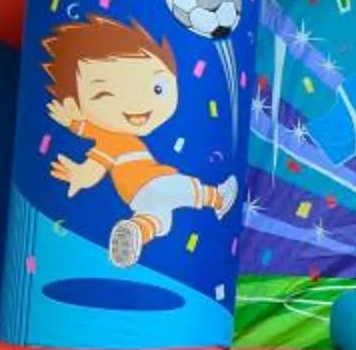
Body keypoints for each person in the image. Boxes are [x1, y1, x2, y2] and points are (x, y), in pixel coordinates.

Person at [41, 17, 238, 267]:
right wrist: (81, 174)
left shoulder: (108, 134)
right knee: (184, 188)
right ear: (76, 105)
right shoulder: (114, 142)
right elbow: (95, 165)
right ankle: (218, 198)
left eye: (157, 88)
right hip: (154, 182)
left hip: (135, 197)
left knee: (159, 220)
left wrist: (72, 124)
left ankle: (134, 231)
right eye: (106, 94)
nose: (137, 103)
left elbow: (89, 130)